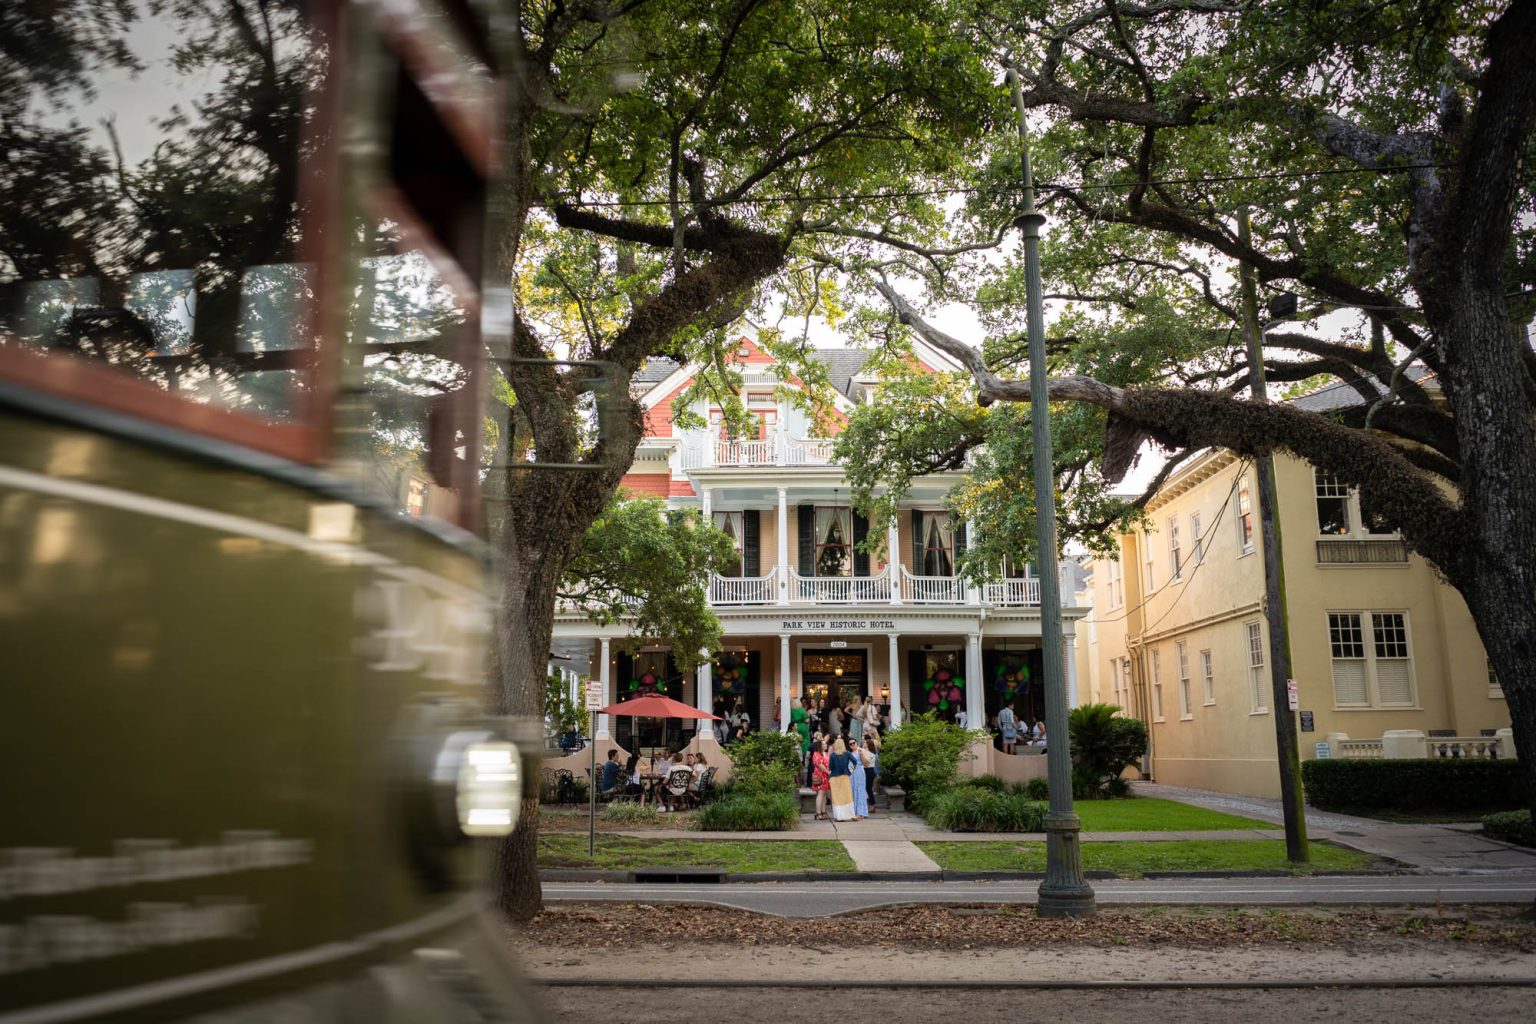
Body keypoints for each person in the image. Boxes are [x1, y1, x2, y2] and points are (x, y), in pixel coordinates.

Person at [828, 738, 855, 822]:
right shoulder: (847, 753)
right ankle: (850, 815)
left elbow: (830, 767)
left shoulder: (832, 755)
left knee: (837, 797)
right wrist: (851, 770)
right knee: (847, 796)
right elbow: (855, 761)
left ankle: (839, 816)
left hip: (834, 777)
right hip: (844, 776)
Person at [810, 740, 831, 820]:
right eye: (823, 744)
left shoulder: (826, 754)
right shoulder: (816, 753)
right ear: (820, 745)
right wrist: (828, 772)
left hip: (826, 775)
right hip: (820, 775)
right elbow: (819, 764)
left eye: (826, 743)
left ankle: (823, 811)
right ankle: (818, 812)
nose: (825, 745)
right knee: (820, 793)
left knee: (824, 794)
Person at [849, 736, 868, 819]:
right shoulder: (849, 753)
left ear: (857, 743)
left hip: (859, 772)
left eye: (854, 743)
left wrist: (862, 755)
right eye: (850, 744)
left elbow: (866, 763)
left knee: (860, 790)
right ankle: (854, 812)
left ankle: (860, 812)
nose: (852, 745)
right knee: (853, 791)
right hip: (851, 774)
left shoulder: (861, 751)